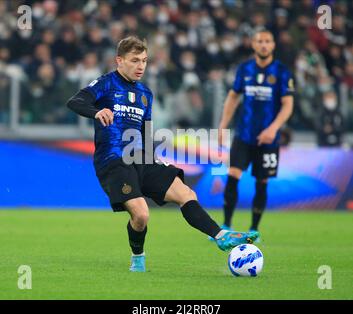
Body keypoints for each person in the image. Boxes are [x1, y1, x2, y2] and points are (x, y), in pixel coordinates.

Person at [67, 36, 258, 272]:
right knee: (141, 215)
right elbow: (75, 101)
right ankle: (138, 258)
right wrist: (97, 112)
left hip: (141, 158)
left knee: (185, 192)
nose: (141, 66)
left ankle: (221, 236)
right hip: (114, 161)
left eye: (144, 61)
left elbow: (145, 132)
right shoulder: (106, 84)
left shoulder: (146, 94)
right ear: (119, 60)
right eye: (135, 60)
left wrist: (153, 157)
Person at [216, 29, 294, 238]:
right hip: (244, 135)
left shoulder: (281, 71)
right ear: (253, 44)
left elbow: (288, 105)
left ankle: (254, 229)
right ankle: (226, 225)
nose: (263, 45)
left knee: (262, 182)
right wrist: (223, 125)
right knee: (232, 176)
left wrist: (273, 129)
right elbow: (233, 97)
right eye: (260, 41)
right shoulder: (245, 69)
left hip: (269, 140)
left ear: (273, 45)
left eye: (267, 41)